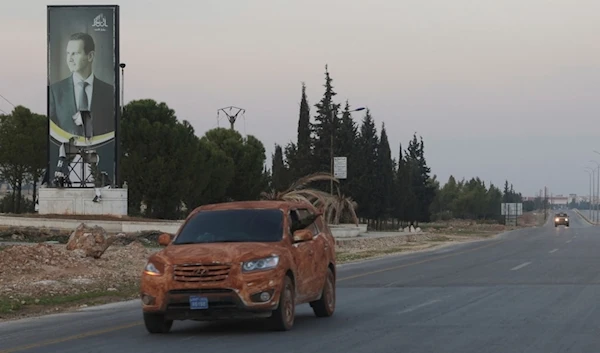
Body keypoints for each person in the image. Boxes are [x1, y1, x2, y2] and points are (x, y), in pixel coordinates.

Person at [49, 32, 115, 137]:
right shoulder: (55, 91)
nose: (69, 59)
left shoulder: (109, 92)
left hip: (101, 151)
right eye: (68, 53)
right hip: (67, 151)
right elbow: (51, 131)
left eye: (75, 53)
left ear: (90, 56)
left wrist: (87, 119)